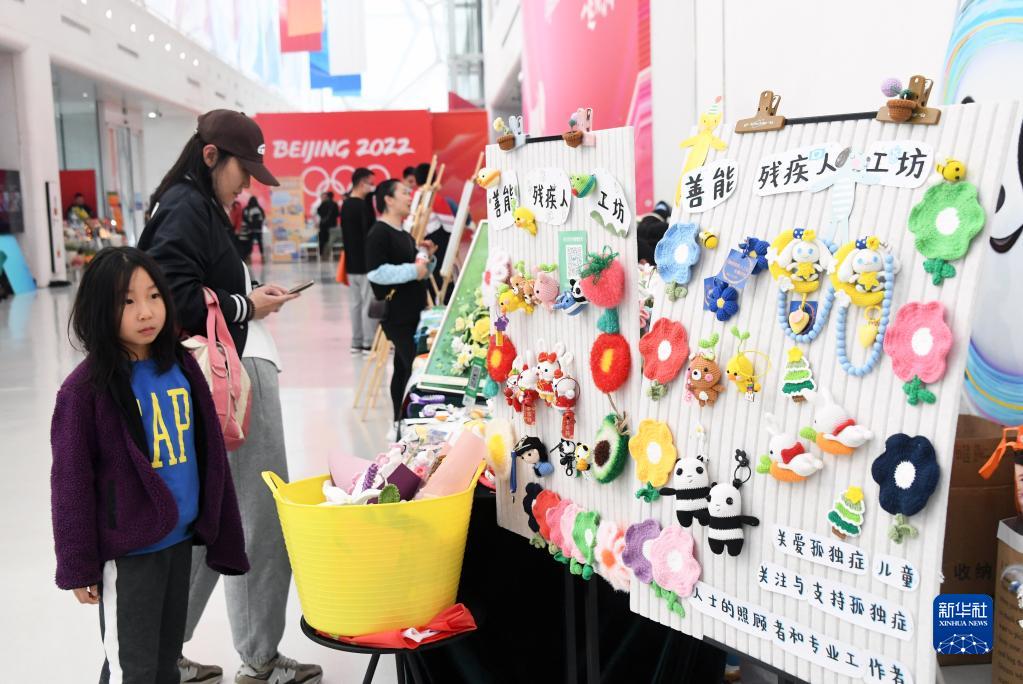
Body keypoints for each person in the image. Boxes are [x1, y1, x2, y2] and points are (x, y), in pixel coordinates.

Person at [138, 109, 321, 684]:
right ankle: (257, 657)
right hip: (231, 378)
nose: (247, 186)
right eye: (244, 171)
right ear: (212, 156)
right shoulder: (188, 206)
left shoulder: (187, 203)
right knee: (257, 519)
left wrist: (247, 294)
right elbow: (170, 293)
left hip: (219, 374)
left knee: (213, 519)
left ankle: (161, 649)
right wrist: (247, 306)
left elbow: (192, 285)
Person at [50, 246, 248, 683]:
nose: (146, 311)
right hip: (131, 551)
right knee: (133, 669)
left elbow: (210, 453)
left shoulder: (179, 365)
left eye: (154, 295)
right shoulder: (85, 391)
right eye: (127, 301)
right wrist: (78, 563)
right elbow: (70, 484)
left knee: (166, 660)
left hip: (178, 541)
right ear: (100, 309)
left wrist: (219, 523)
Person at [366, 179, 437, 436]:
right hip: (396, 315)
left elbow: (419, 270)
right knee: (412, 366)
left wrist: (428, 257)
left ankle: (399, 423)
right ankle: (407, 425)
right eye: (405, 193)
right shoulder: (378, 233)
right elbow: (376, 273)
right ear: (388, 199)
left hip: (413, 312)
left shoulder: (404, 234)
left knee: (403, 367)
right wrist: (413, 270)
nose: (410, 197)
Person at [340, 167, 377, 354]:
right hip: (365, 263)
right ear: (362, 183)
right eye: (371, 183)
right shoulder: (362, 206)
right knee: (367, 303)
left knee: (355, 304)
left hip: (351, 263)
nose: (372, 187)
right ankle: (369, 342)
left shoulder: (345, 205)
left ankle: (356, 342)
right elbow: (368, 236)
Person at [242, 196, 266, 263]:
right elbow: (263, 217)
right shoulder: (259, 208)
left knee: (249, 243)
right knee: (260, 243)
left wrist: (249, 223)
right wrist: (259, 224)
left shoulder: (247, 209)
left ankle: (248, 257)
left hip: (250, 229)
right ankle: (262, 257)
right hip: (258, 229)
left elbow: (244, 217)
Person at [316, 191, 339, 258]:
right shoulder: (335, 204)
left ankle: (322, 254)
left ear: (327, 197)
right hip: (332, 225)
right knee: (331, 240)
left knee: (322, 239)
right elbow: (337, 214)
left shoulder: (324, 203)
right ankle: (332, 255)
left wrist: (323, 217)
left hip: (323, 225)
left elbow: (318, 211)